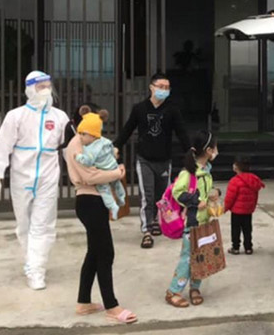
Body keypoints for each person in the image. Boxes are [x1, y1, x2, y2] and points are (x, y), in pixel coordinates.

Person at [0, 71, 71, 291]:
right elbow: (3, 146)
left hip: (48, 175)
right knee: (24, 223)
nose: (45, 90)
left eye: (47, 86)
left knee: (43, 223)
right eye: (40, 86)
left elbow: (69, 148)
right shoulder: (16, 116)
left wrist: (79, 172)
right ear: (29, 89)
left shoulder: (60, 117)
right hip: (21, 175)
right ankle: (31, 260)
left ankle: (37, 270)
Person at [65, 128, 138, 324]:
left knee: (95, 253)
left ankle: (84, 301)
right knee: (106, 253)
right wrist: (117, 172)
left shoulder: (89, 142)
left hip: (94, 201)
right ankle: (112, 306)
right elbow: (91, 176)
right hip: (89, 200)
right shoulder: (76, 144)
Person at [112, 72, 191, 249]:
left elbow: (182, 132)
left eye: (167, 87)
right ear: (151, 87)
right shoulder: (139, 108)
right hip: (144, 159)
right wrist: (116, 146)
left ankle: (157, 221)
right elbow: (127, 129)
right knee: (146, 196)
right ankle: (147, 231)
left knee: (163, 196)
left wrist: (191, 151)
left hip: (164, 160)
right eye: (160, 87)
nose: (164, 90)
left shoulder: (172, 109)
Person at [165, 131, 219, 309]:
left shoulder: (206, 171)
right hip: (192, 223)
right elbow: (177, 192)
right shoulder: (188, 173)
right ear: (209, 150)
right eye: (215, 148)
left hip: (204, 221)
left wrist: (213, 195)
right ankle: (173, 291)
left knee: (201, 257)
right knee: (187, 259)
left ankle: (195, 288)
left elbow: (205, 191)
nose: (217, 152)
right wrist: (197, 202)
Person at [74, 106, 126, 221]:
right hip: (113, 166)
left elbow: (88, 161)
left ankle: (113, 206)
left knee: (104, 190)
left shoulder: (92, 148)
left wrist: (78, 157)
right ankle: (122, 198)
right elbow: (113, 152)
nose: (80, 137)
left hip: (104, 171)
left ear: (92, 135)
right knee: (117, 184)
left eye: (83, 134)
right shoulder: (105, 141)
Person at [224, 158, 265, 255]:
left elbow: (230, 197)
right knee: (247, 229)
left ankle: (235, 247)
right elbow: (255, 196)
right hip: (248, 211)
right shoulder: (254, 179)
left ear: (237, 167)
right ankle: (248, 247)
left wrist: (225, 208)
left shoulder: (235, 181)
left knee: (236, 229)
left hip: (236, 211)